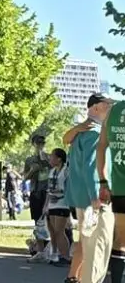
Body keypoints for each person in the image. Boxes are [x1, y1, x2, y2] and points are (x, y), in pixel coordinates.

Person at [64, 93, 115, 283]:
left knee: (87, 243)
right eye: (107, 105)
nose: (110, 108)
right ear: (95, 108)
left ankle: (73, 278)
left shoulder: (82, 132)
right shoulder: (94, 133)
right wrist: (97, 197)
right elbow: (91, 168)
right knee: (96, 247)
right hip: (93, 198)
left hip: (81, 197)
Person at [97, 97, 125, 282]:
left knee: (121, 241)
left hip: (120, 187)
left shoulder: (113, 112)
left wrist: (103, 181)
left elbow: (101, 148)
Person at [45, 148, 71, 266]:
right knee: (54, 231)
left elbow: (69, 187)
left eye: (52, 156)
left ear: (59, 158)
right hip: (52, 203)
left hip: (62, 202)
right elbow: (48, 189)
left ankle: (65, 256)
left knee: (60, 231)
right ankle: (56, 254)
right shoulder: (52, 171)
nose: (50, 158)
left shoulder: (66, 171)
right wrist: (46, 205)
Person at [24, 134, 51, 226]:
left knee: (49, 218)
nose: (40, 145)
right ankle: (39, 238)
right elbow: (25, 177)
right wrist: (32, 170)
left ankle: (49, 239)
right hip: (35, 190)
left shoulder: (49, 157)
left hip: (48, 192)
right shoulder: (29, 160)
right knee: (37, 218)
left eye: (43, 143)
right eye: (38, 143)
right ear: (33, 144)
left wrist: (47, 161)